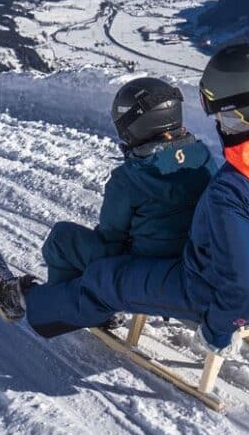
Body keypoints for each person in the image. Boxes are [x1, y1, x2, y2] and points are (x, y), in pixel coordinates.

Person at [0, 44, 249, 356]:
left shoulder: (232, 192)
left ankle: (28, 304)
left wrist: (221, 330)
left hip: (211, 293)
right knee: (117, 272)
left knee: (104, 278)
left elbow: (243, 287)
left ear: (230, 114)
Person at [40, 76, 217, 286]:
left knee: (62, 238)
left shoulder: (127, 178)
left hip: (146, 273)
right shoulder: (204, 156)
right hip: (197, 262)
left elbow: (111, 237)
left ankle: (67, 310)